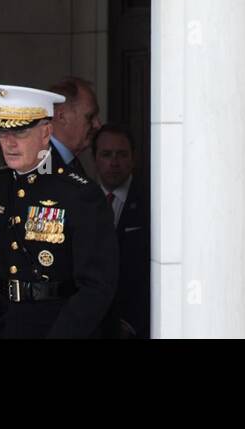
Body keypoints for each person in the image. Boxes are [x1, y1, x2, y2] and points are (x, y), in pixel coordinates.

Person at [0, 84, 116, 338]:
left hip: (55, 326)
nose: (9, 142)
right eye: (2, 132)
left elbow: (97, 286)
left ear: (46, 132)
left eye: (20, 132)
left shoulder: (79, 193)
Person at [93, 123, 149, 338]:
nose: (114, 163)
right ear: (95, 158)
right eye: (106, 154)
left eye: (122, 155)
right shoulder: (82, 200)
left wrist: (132, 323)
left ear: (133, 158)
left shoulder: (151, 201)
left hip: (138, 325)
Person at [48, 76, 102, 177]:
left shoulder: (70, 162)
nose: (97, 124)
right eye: (90, 117)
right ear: (62, 116)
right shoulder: (35, 163)